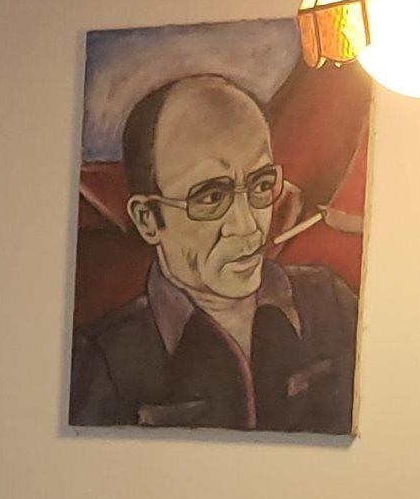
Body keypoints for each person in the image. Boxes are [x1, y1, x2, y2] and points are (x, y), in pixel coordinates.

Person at [69, 72, 356, 434]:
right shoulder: (103, 363)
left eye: (261, 185)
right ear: (148, 219)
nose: (247, 226)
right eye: (211, 197)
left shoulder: (332, 305)